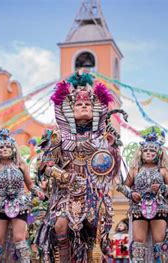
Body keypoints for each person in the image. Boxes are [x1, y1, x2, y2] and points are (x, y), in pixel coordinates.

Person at [35, 71, 123, 262]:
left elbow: (111, 168)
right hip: (66, 193)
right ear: (69, 109)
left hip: (93, 193)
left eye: (87, 104)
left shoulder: (102, 138)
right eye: (79, 104)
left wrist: (111, 149)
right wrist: (63, 176)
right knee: (60, 227)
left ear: (95, 110)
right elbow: (44, 164)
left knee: (94, 233)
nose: (83, 106)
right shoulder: (58, 136)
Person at [0, 128, 44, 262]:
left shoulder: (21, 164)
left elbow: (30, 184)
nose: (5, 149)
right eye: (1, 147)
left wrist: (38, 191)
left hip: (20, 204)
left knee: (20, 238)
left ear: (13, 149)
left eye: (7, 146)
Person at [117, 130, 168, 262]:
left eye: (152, 151)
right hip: (138, 207)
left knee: (159, 242)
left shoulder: (164, 171)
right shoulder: (134, 170)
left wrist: (162, 187)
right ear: (141, 153)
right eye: (146, 151)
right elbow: (122, 186)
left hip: (160, 207)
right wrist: (131, 194)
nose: (148, 153)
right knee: (138, 242)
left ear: (158, 154)